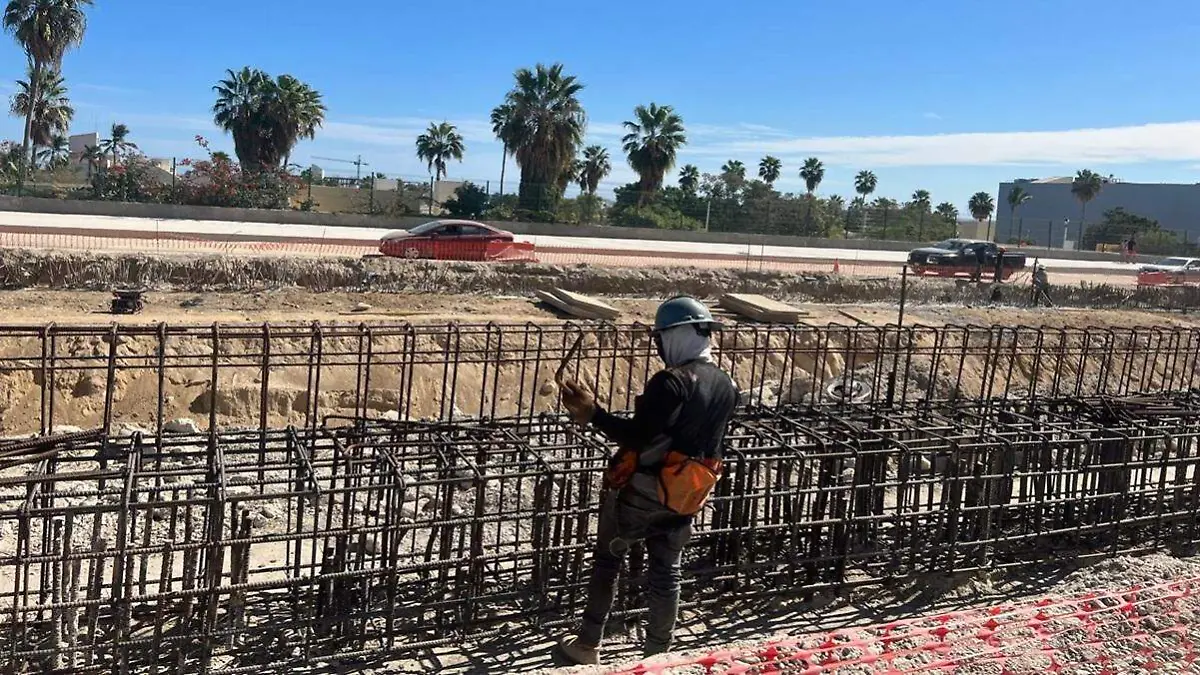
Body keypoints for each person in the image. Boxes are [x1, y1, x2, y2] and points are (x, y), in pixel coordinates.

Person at [556, 296, 739, 665]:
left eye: (660, 338)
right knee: (666, 572)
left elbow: (639, 437)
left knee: (608, 561)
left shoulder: (671, 382)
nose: (658, 346)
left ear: (676, 335)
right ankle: (658, 655)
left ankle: (588, 644)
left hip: (644, 491)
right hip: (687, 494)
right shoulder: (727, 384)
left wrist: (594, 414)